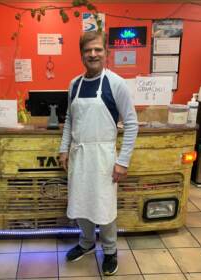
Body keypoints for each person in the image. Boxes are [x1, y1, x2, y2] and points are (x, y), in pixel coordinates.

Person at [59, 31, 138, 276]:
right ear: (81, 54)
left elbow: (132, 123)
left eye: (98, 50)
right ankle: (86, 243)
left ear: (106, 53)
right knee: (82, 203)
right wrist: (64, 148)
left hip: (104, 158)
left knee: (104, 208)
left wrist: (122, 161)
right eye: (88, 50)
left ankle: (111, 250)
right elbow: (71, 120)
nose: (93, 54)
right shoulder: (74, 84)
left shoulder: (116, 84)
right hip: (79, 156)